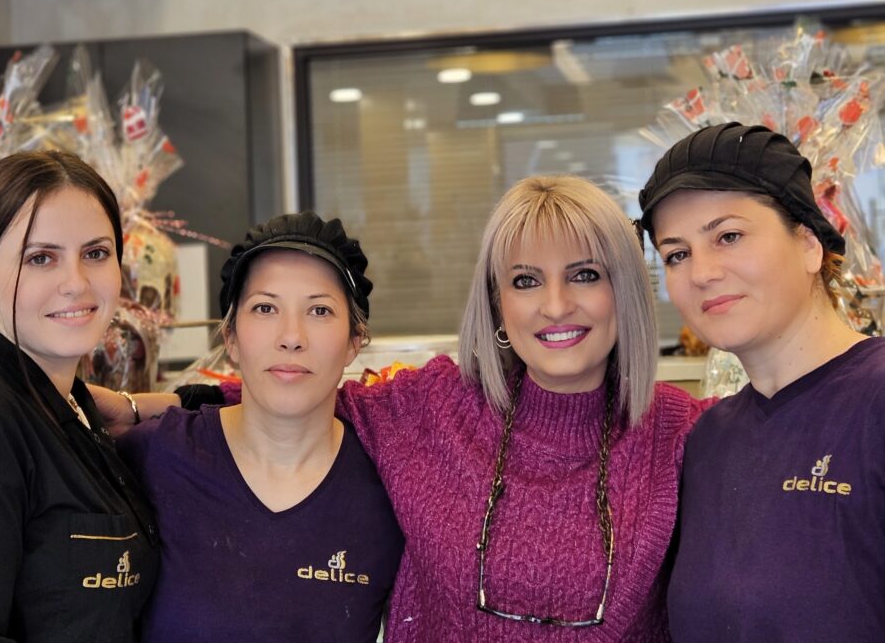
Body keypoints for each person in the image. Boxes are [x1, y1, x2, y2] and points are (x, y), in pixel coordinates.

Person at [103, 178, 706, 640]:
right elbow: (295, 390)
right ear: (497, 303)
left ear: (625, 290)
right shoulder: (434, 408)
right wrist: (145, 406)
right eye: (525, 280)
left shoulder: (684, 434)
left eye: (585, 275)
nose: (554, 305)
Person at [638, 121, 885, 642]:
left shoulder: (882, 401)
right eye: (677, 254)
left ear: (810, 243)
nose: (702, 272)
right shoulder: (708, 440)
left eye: (728, 236)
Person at [114, 212, 404, 643]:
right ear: (230, 337)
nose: (291, 336)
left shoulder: (390, 492)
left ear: (354, 342)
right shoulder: (155, 457)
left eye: (320, 310)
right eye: (265, 308)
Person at [0, 150, 158, 643]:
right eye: (41, 258)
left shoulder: (72, 407)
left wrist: (147, 406)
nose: (76, 283)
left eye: (96, 253)